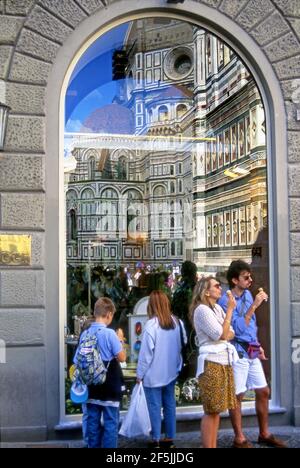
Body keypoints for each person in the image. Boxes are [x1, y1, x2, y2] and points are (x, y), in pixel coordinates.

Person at [219, 260, 287, 448]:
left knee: (264, 391)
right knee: (238, 395)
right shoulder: (226, 300)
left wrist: (258, 345)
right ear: (234, 280)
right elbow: (237, 329)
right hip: (237, 352)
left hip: (251, 350)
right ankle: (239, 438)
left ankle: (264, 433)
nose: (250, 280)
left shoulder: (248, 294)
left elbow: (251, 326)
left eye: (250, 276)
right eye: (246, 277)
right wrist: (255, 305)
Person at [190, 276, 238, 448]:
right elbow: (222, 335)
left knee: (216, 410)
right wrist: (231, 311)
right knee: (211, 410)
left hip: (223, 361)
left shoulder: (217, 308)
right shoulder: (201, 310)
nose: (220, 288)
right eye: (216, 286)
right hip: (211, 363)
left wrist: (225, 330)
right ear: (206, 291)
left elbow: (231, 332)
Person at [136, 290, 186, 449]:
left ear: (151, 306)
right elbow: (183, 342)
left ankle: (155, 439)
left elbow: (145, 355)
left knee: (154, 407)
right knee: (170, 405)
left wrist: (139, 374)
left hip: (153, 374)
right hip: (171, 371)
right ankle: (169, 439)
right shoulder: (177, 322)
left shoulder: (151, 325)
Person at [75, 297, 126, 448]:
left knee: (92, 422)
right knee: (111, 422)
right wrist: (121, 340)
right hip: (109, 386)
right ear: (109, 314)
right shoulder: (110, 334)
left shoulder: (85, 334)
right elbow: (122, 357)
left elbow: (77, 359)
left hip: (91, 387)